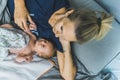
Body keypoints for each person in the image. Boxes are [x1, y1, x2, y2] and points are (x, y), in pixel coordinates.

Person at [7, 0, 113, 80]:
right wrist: (19, 6)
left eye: (64, 36)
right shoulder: (50, 2)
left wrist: (65, 44)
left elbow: (68, 77)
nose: (57, 34)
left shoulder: (59, 38)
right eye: (61, 28)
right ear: (69, 13)